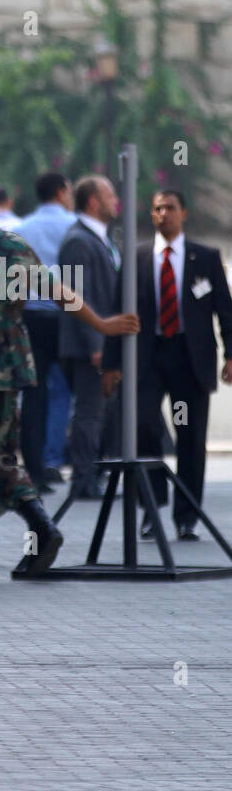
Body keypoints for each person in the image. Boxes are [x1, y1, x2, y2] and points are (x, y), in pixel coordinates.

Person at [0, 174, 138, 580]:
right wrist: (103, 325)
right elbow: (61, 293)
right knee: (1, 457)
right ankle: (42, 525)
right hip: (13, 368)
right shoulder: (13, 245)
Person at [103, 189, 232, 541]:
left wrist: (230, 355)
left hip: (190, 360)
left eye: (170, 208)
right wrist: (111, 364)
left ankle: (187, 516)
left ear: (183, 213)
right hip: (148, 358)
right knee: (144, 427)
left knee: (190, 438)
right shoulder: (138, 258)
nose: (163, 214)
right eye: (158, 209)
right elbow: (118, 311)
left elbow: (225, 310)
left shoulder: (204, 258)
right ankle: (152, 505)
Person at [12, 172, 77, 490]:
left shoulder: (21, 229)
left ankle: (35, 472)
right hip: (71, 317)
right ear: (63, 191)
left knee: (33, 394)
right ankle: (80, 468)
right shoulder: (76, 226)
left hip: (32, 318)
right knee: (76, 392)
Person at [58, 176, 121, 499]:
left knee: (103, 413)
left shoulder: (100, 239)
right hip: (90, 347)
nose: (116, 200)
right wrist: (96, 345)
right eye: (109, 195)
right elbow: (74, 296)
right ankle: (83, 479)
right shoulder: (78, 241)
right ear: (93, 202)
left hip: (104, 342)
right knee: (89, 412)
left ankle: (94, 473)